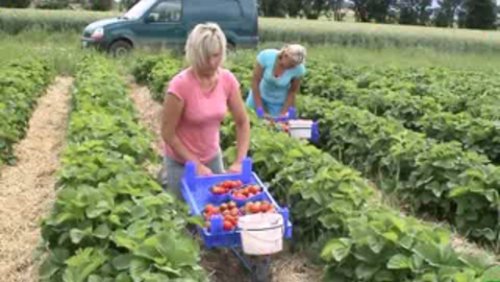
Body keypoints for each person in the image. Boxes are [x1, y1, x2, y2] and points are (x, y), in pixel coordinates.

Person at [160, 22, 250, 199]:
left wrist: (240, 161)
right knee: (184, 214)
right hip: (180, 162)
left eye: (216, 56)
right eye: (205, 57)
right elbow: (167, 133)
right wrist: (195, 164)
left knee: (216, 208)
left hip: (212, 156)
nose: (211, 62)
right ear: (194, 54)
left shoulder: (227, 80)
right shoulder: (180, 85)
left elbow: (242, 122)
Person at [245, 44, 307, 118]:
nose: (293, 67)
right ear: (285, 56)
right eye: (291, 64)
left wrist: (283, 114)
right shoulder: (266, 56)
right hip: (259, 94)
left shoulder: (298, 69)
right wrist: (260, 109)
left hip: (278, 102)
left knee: (277, 125)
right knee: (251, 119)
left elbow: (292, 92)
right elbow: (255, 81)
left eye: (295, 65)